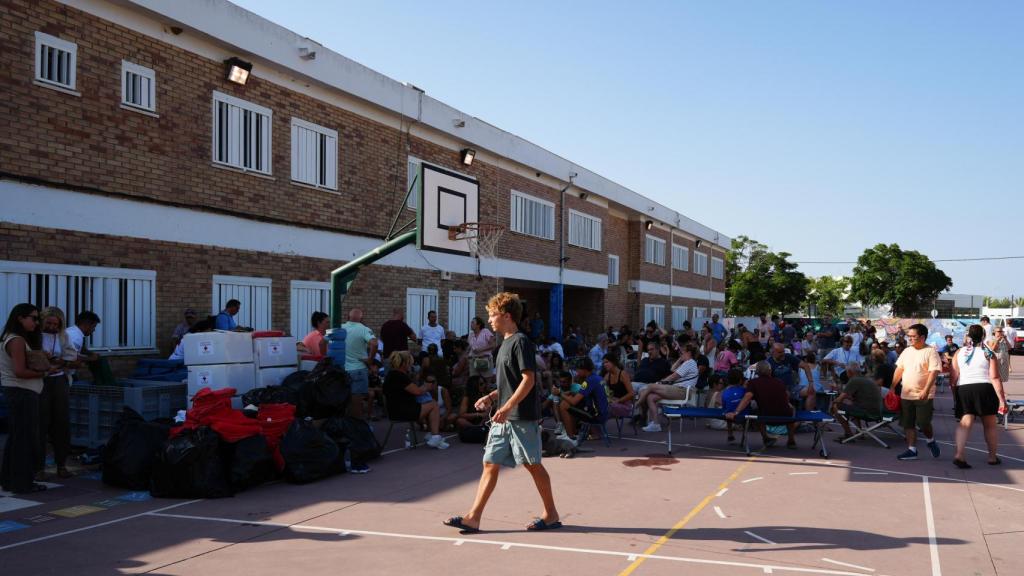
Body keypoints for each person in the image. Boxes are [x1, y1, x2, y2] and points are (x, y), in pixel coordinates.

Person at [444, 292, 560, 534]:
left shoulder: (521, 342)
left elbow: (529, 380)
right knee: (489, 463)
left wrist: (507, 408)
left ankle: (551, 515)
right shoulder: (503, 344)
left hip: (520, 416)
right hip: (504, 416)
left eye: (492, 315)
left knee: (532, 464)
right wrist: (492, 397)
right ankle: (473, 518)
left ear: (506, 316)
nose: (489, 320)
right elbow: (510, 383)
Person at [1, 304, 55, 493]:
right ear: (20, 318)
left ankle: (10, 480)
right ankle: (22, 483)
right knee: (24, 440)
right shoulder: (16, 340)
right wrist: (45, 372)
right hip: (22, 393)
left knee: (17, 438)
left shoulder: (15, 338)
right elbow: (20, 371)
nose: (36, 322)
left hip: (20, 392)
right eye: (33, 318)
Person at [950, 324, 1007, 468]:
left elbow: (953, 378)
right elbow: (994, 377)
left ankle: (959, 454)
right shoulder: (988, 352)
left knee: (965, 423)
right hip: (984, 388)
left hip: (964, 389)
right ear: (983, 336)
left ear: (968, 336)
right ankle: (992, 457)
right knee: (990, 426)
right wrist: (1002, 400)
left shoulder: (959, 353)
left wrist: (955, 395)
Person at [893, 323, 942, 461]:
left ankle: (930, 440)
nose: (910, 339)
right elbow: (899, 369)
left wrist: (926, 390)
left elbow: (934, 372)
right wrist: (892, 386)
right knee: (907, 423)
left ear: (922, 337)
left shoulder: (931, 351)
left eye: (913, 336)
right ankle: (911, 450)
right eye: (909, 336)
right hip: (906, 394)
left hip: (923, 394)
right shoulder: (907, 351)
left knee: (923, 422)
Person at [383, 351, 448, 449]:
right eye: (410, 363)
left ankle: (433, 435)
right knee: (433, 404)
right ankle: (435, 436)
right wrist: (427, 386)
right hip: (403, 411)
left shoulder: (392, 375)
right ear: (405, 363)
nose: (411, 365)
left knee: (427, 402)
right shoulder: (399, 376)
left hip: (396, 409)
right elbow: (417, 391)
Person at [725, 361, 797, 449]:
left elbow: (747, 398)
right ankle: (791, 439)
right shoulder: (779, 382)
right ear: (770, 371)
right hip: (785, 416)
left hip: (765, 416)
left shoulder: (753, 383)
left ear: (757, 372)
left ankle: (765, 438)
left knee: (755, 412)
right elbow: (786, 395)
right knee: (790, 410)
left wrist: (736, 412)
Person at [38, 307, 74, 479]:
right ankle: (39, 467)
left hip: (59, 380)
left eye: (55, 324)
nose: (52, 327)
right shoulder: (34, 336)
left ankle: (61, 464)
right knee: (41, 423)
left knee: (61, 423)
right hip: (40, 381)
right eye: (49, 323)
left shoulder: (63, 336)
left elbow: (71, 357)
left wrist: (60, 362)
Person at [638, 344, 700, 432]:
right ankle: (655, 424)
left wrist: (660, 383)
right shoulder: (687, 363)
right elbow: (672, 369)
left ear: (689, 353)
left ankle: (637, 403)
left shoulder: (690, 363)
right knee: (650, 397)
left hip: (682, 391)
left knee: (651, 386)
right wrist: (680, 359)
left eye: (682, 352)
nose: (680, 353)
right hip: (678, 390)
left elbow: (673, 376)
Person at [557, 357, 608, 439]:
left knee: (564, 404)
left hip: (597, 415)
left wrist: (560, 393)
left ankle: (570, 437)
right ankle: (573, 431)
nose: (577, 373)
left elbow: (573, 401)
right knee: (572, 402)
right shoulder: (598, 377)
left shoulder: (588, 381)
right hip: (604, 411)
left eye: (578, 370)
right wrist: (572, 393)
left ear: (584, 369)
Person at [831, 363, 883, 439]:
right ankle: (859, 432)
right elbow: (853, 397)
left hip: (869, 412)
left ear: (849, 372)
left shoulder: (854, 380)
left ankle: (848, 434)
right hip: (877, 410)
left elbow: (840, 399)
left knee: (837, 406)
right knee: (852, 404)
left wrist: (833, 403)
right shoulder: (866, 379)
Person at [342, 308, 375, 420]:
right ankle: (357, 428)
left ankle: (347, 427)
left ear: (348, 317)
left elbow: (322, 342)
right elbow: (374, 343)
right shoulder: (364, 329)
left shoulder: (339, 328)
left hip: (342, 370)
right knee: (357, 402)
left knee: (344, 401)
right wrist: (370, 359)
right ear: (361, 318)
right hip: (358, 370)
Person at [65, 311, 100, 382]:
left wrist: (89, 353)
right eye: (93, 327)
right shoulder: (76, 337)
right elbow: (70, 356)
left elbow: (75, 349)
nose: (94, 330)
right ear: (87, 324)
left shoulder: (72, 331)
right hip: (65, 374)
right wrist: (90, 358)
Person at [602, 353, 635, 421]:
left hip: (625, 406)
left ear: (613, 362)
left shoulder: (623, 374)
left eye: (607, 362)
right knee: (597, 405)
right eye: (604, 363)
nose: (605, 365)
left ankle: (598, 429)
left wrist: (618, 401)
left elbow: (632, 394)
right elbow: (601, 388)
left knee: (604, 408)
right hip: (613, 403)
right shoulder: (607, 376)